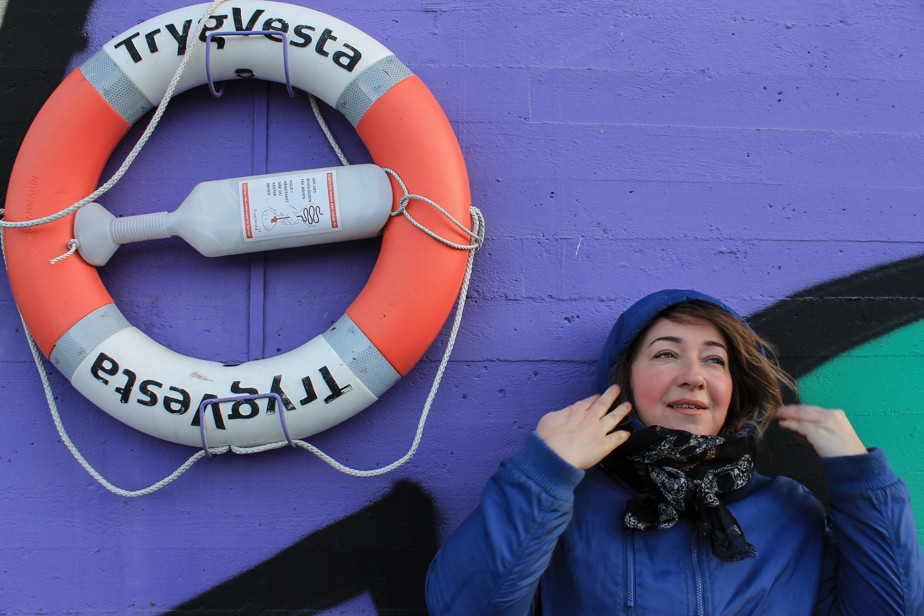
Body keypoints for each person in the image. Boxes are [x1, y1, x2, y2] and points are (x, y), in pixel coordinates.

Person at [425, 289, 923, 615]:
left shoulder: (788, 512)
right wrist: (542, 473)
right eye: (666, 353)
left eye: (715, 360)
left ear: (736, 389)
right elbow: (464, 608)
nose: (694, 376)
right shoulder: (565, 507)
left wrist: (862, 481)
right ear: (623, 381)